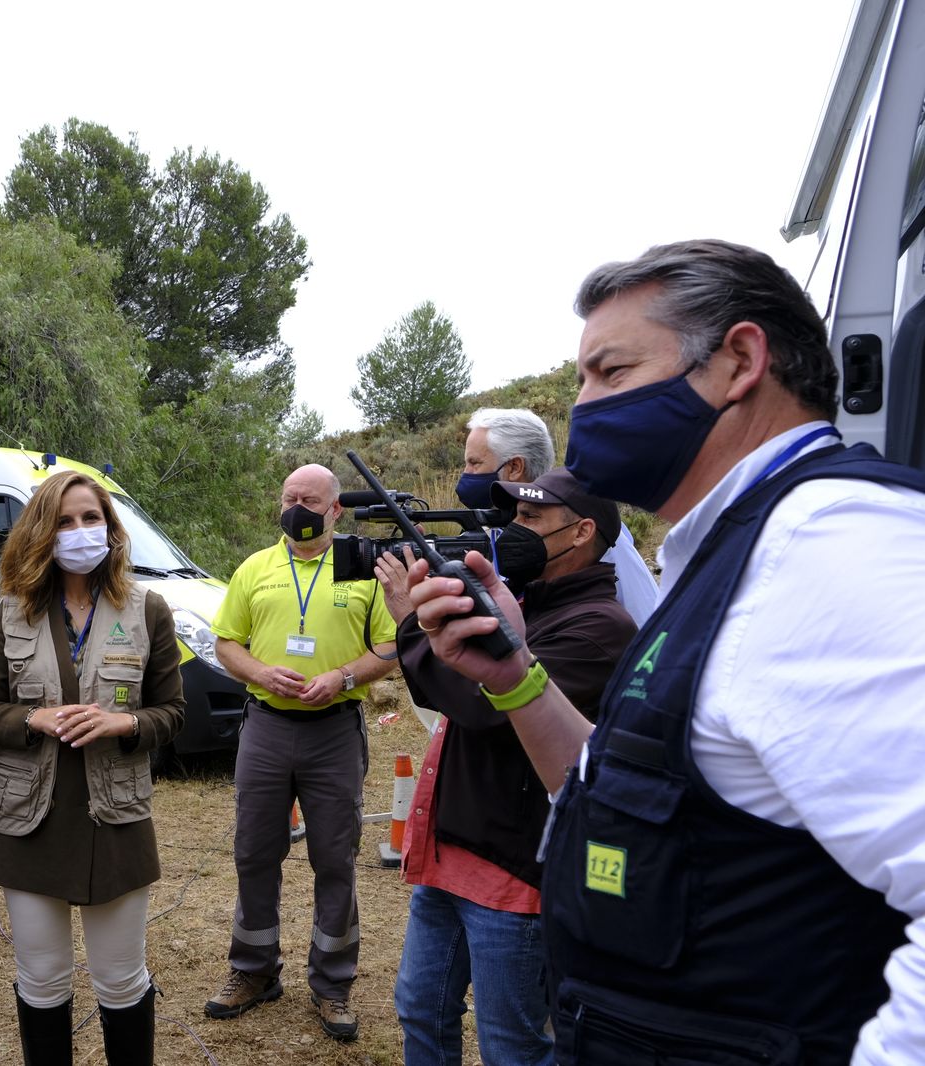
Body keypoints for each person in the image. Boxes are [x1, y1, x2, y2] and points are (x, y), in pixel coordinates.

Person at [405, 239, 925, 1064]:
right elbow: (653, 798)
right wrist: (514, 677)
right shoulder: (731, 552)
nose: (584, 406)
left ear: (739, 361)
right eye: (580, 379)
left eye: (610, 374)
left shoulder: (832, 551)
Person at [377, 468, 636, 1066]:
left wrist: (411, 623)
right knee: (420, 1008)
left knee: (512, 1045)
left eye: (530, 519)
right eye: (510, 517)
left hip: (516, 873)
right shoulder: (517, 601)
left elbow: (477, 705)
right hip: (451, 849)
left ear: (581, 533)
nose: (510, 530)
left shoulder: (599, 626)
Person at [0, 470, 184, 1066]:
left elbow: (172, 711)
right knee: (42, 981)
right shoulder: (12, 612)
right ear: (42, 532)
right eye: (65, 521)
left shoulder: (148, 608)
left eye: (92, 519)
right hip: (28, 821)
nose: (80, 532)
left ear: (111, 530)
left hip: (114, 818)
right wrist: (33, 719)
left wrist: (127, 724)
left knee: (120, 981)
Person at [202, 463, 398, 1042]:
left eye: (309, 499)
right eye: (289, 498)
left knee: (335, 860)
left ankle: (332, 984)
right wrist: (261, 671)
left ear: (336, 509)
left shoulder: (362, 571)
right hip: (264, 727)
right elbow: (225, 641)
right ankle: (253, 971)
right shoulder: (255, 569)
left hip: (334, 731)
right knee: (254, 854)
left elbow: (391, 645)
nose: (297, 508)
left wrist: (341, 677)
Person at [461, 407, 659, 626]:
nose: (465, 473)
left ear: (515, 467)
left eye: (474, 463)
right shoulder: (487, 530)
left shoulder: (589, 531)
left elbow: (646, 614)